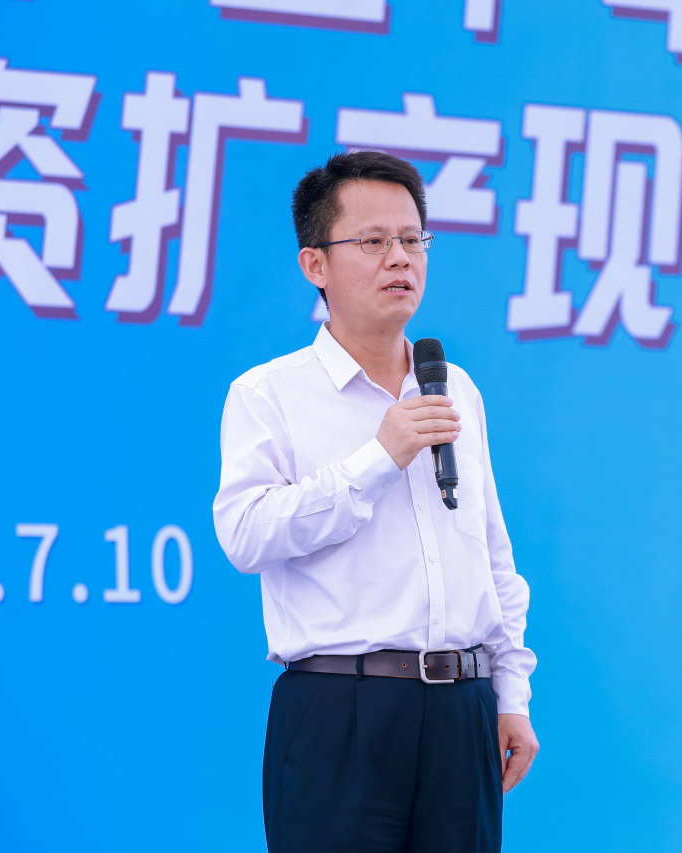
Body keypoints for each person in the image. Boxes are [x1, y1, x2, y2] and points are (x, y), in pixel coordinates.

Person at [212, 150, 538, 853]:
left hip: (463, 709)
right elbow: (245, 533)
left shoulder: (455, 387)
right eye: (373, 241)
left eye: (413, 239)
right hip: (341, 710)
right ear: (315, 264)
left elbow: (492, 556)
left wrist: (509, 692)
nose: (400, 258)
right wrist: (378, 459)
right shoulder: (269, 393)